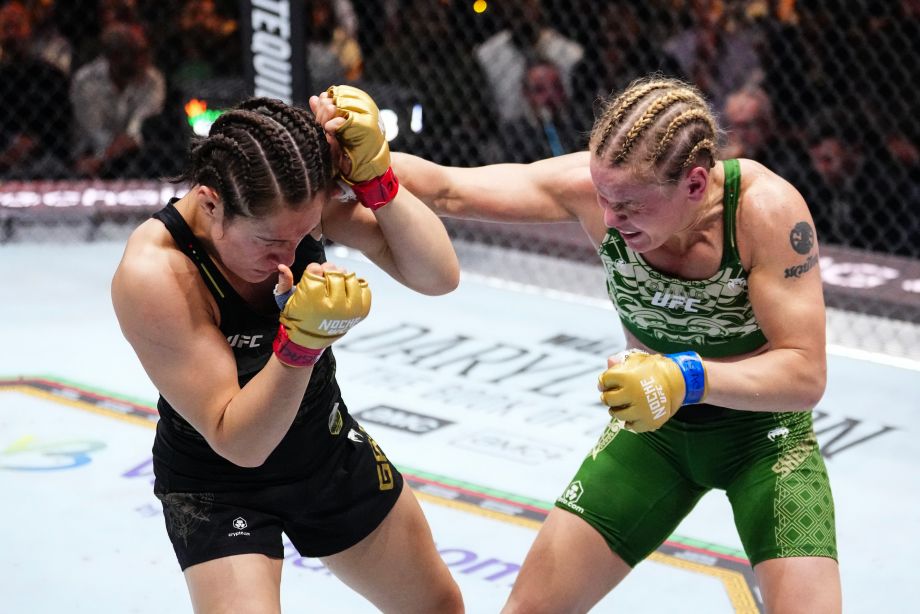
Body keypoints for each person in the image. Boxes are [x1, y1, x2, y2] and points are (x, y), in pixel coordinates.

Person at [390, 76, 841, 613]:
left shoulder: (765, 212)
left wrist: (685, 377)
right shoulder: (596, 187)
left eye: (627, 204)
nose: (608, 218)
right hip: (654, 434)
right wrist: (361, 156)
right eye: (602, 197)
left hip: (765, 440)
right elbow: (447, 189)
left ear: (695, 184)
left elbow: (805, 373)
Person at [111, 86, 464, 613]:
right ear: (210, 204)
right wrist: (301, 344)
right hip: (218, 482)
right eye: (270, 242)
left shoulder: (290, 194)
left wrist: (378, 180)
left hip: (324, 448)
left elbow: (438, 276)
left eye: (302, 235)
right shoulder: (155, 273)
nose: (290, 254)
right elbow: (240, 443)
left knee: (438, 608)